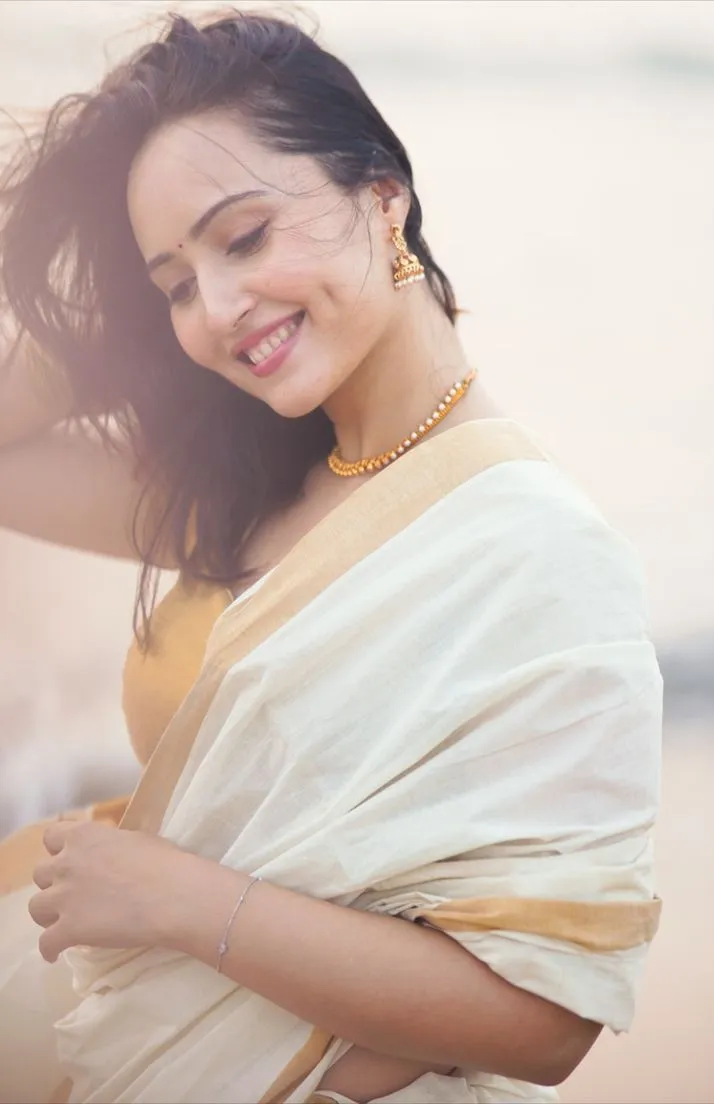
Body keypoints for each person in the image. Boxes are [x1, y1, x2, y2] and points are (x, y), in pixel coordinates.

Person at [0, 10, 663, 1104]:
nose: (216, 308)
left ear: (380, 194)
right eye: (174, 282)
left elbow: (546, 1023)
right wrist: (111, 337)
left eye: (246, 236)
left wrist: (180, 900)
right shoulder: (245, 489)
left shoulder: (534, 551)